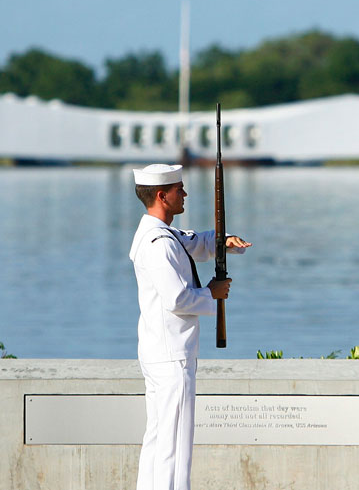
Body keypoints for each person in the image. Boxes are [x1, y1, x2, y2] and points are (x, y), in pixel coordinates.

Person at [129, 163, 252, 490]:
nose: (184, 193)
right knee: (174, 447)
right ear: (162, 196)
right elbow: (178, 298)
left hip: (161, 352)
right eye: (178, 189)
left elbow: (193, 242)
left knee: (159, 438)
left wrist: (222, 241)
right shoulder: (159, 243)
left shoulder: (158, 233)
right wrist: (212, 293)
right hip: (172, 356)